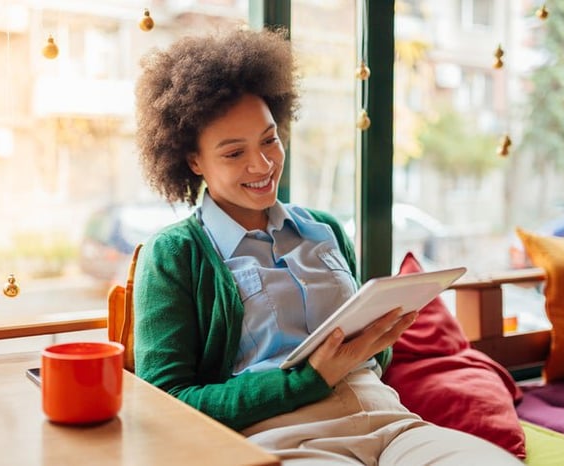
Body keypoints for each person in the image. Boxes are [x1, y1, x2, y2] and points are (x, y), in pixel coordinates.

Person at [132, 28, 522, 465]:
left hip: (392, 423)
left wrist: (378, 337)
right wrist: (309, 379)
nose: (261, 164)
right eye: (233, 153)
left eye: (268, 139)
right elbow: (166, 400)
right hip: (284, 438)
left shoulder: (324, 229)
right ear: (194, 160)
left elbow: (368, 357)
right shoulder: (174, 254)